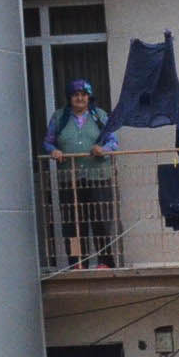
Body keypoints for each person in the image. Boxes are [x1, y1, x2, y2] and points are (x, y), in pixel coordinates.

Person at [44, 80, 120, 269]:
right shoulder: (60, 117)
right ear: (70, 98)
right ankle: (77, 261)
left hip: (98, 176)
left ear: (89, 97)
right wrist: (54, 151)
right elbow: (48, 142)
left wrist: (103, 149)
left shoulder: (99, 115)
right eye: (76, 94)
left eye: (84, 95)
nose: (80, 98)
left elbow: (113, 141)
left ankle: (105, 262)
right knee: (73, 224)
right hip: (70, 178)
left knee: (100, 220)